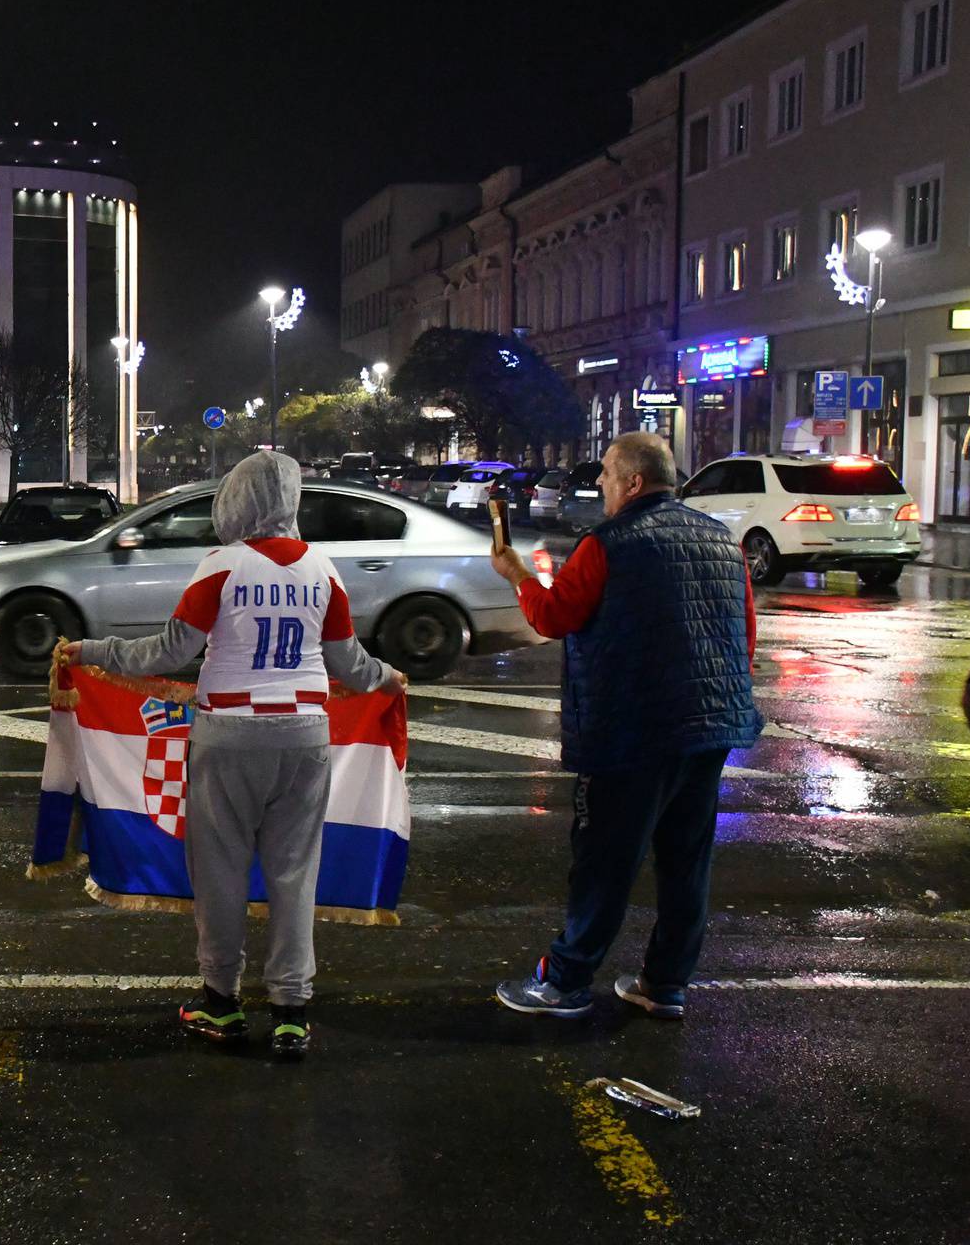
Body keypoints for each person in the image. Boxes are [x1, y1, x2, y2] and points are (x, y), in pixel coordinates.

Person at [57, 451, 407, 1059]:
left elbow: (168, 652)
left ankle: (221, 1001)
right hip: (305, 737)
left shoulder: (221, 566)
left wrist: (92, 649)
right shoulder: (324, 570)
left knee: (219, 872)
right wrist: (387, 678)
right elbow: (349, 663)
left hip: (230, 738)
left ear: (236, 501)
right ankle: (292, 1010)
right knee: (294, 874)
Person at [488, 431, 761, 1020]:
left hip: (632, 730)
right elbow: (744, 636)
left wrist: (517, 575)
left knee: (605, 859)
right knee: (686, 862)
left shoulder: (609, 543)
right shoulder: (721, 541)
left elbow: (556, 614)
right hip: (711, 726)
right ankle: (665, 983)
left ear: (634, 482)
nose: (602, 485)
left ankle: (564, 980)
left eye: (608, 475)